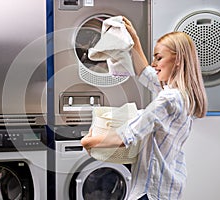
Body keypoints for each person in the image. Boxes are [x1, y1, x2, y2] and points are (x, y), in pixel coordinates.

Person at [81, 16, 208, 200]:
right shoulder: (183, 95)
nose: (154, 63)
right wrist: (134, 41)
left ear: (178, 59)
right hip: (170, 185)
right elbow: (146, 74)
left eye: (159, 58)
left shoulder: (168, 99)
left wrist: (88, 141)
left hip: (152, 190)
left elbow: (125, 137)